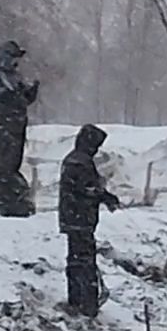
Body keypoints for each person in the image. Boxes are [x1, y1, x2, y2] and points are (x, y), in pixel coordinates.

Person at [59, 124, 122, 318]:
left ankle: (75, 300)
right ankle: (88, 304)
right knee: (85, 262)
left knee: (75, 260)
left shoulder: (73, 159)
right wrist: (107, 197)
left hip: (71, 219)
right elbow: (88, 189)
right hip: (82, 219)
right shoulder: (81, 162)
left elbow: (85, 188)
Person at [0, 40, 40, 217]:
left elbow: (23, 99)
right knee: (3, 163)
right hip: (3, 127)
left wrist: (31, 91)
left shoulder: (15, 77)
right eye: (14, 57)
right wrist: (13, 96)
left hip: (17, 125)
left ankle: (10, 197)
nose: (16, 62)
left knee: (13, 161)